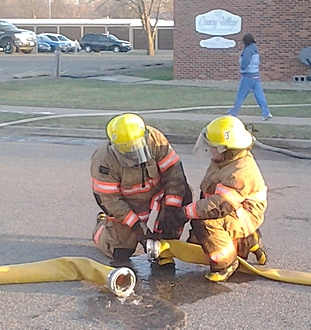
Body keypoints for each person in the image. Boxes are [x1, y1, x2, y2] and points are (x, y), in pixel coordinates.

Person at [164, 115, 268, 283]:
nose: (209, 150)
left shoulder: (240, 172)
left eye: (212, 147)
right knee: (199, 239)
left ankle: (226, 263)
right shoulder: (226, 160)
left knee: (205, 222)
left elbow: (218, 206)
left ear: (224, 149)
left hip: (244, 214)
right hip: (238, 212)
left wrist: (185, 213)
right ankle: (248, 240)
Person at [91, 113, 192, 265]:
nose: (135, 157)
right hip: (128, 204)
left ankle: (164, 247)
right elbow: (110, 201)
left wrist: (171, 209)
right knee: (121, 252)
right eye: (129, 154)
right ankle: (101, 228)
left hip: (158, 193)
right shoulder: (104, 161)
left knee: (181, 200)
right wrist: (138, 228)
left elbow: (174, 175)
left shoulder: (155, 140)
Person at [227, 33, 272, 121]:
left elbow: (245, 63)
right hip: (256, 75)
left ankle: (234, 112)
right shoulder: (255, 49)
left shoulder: (248, 50)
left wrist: (242, 68)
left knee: (241, 95)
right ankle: (266, 113)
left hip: (248, 76)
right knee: (260, 95)